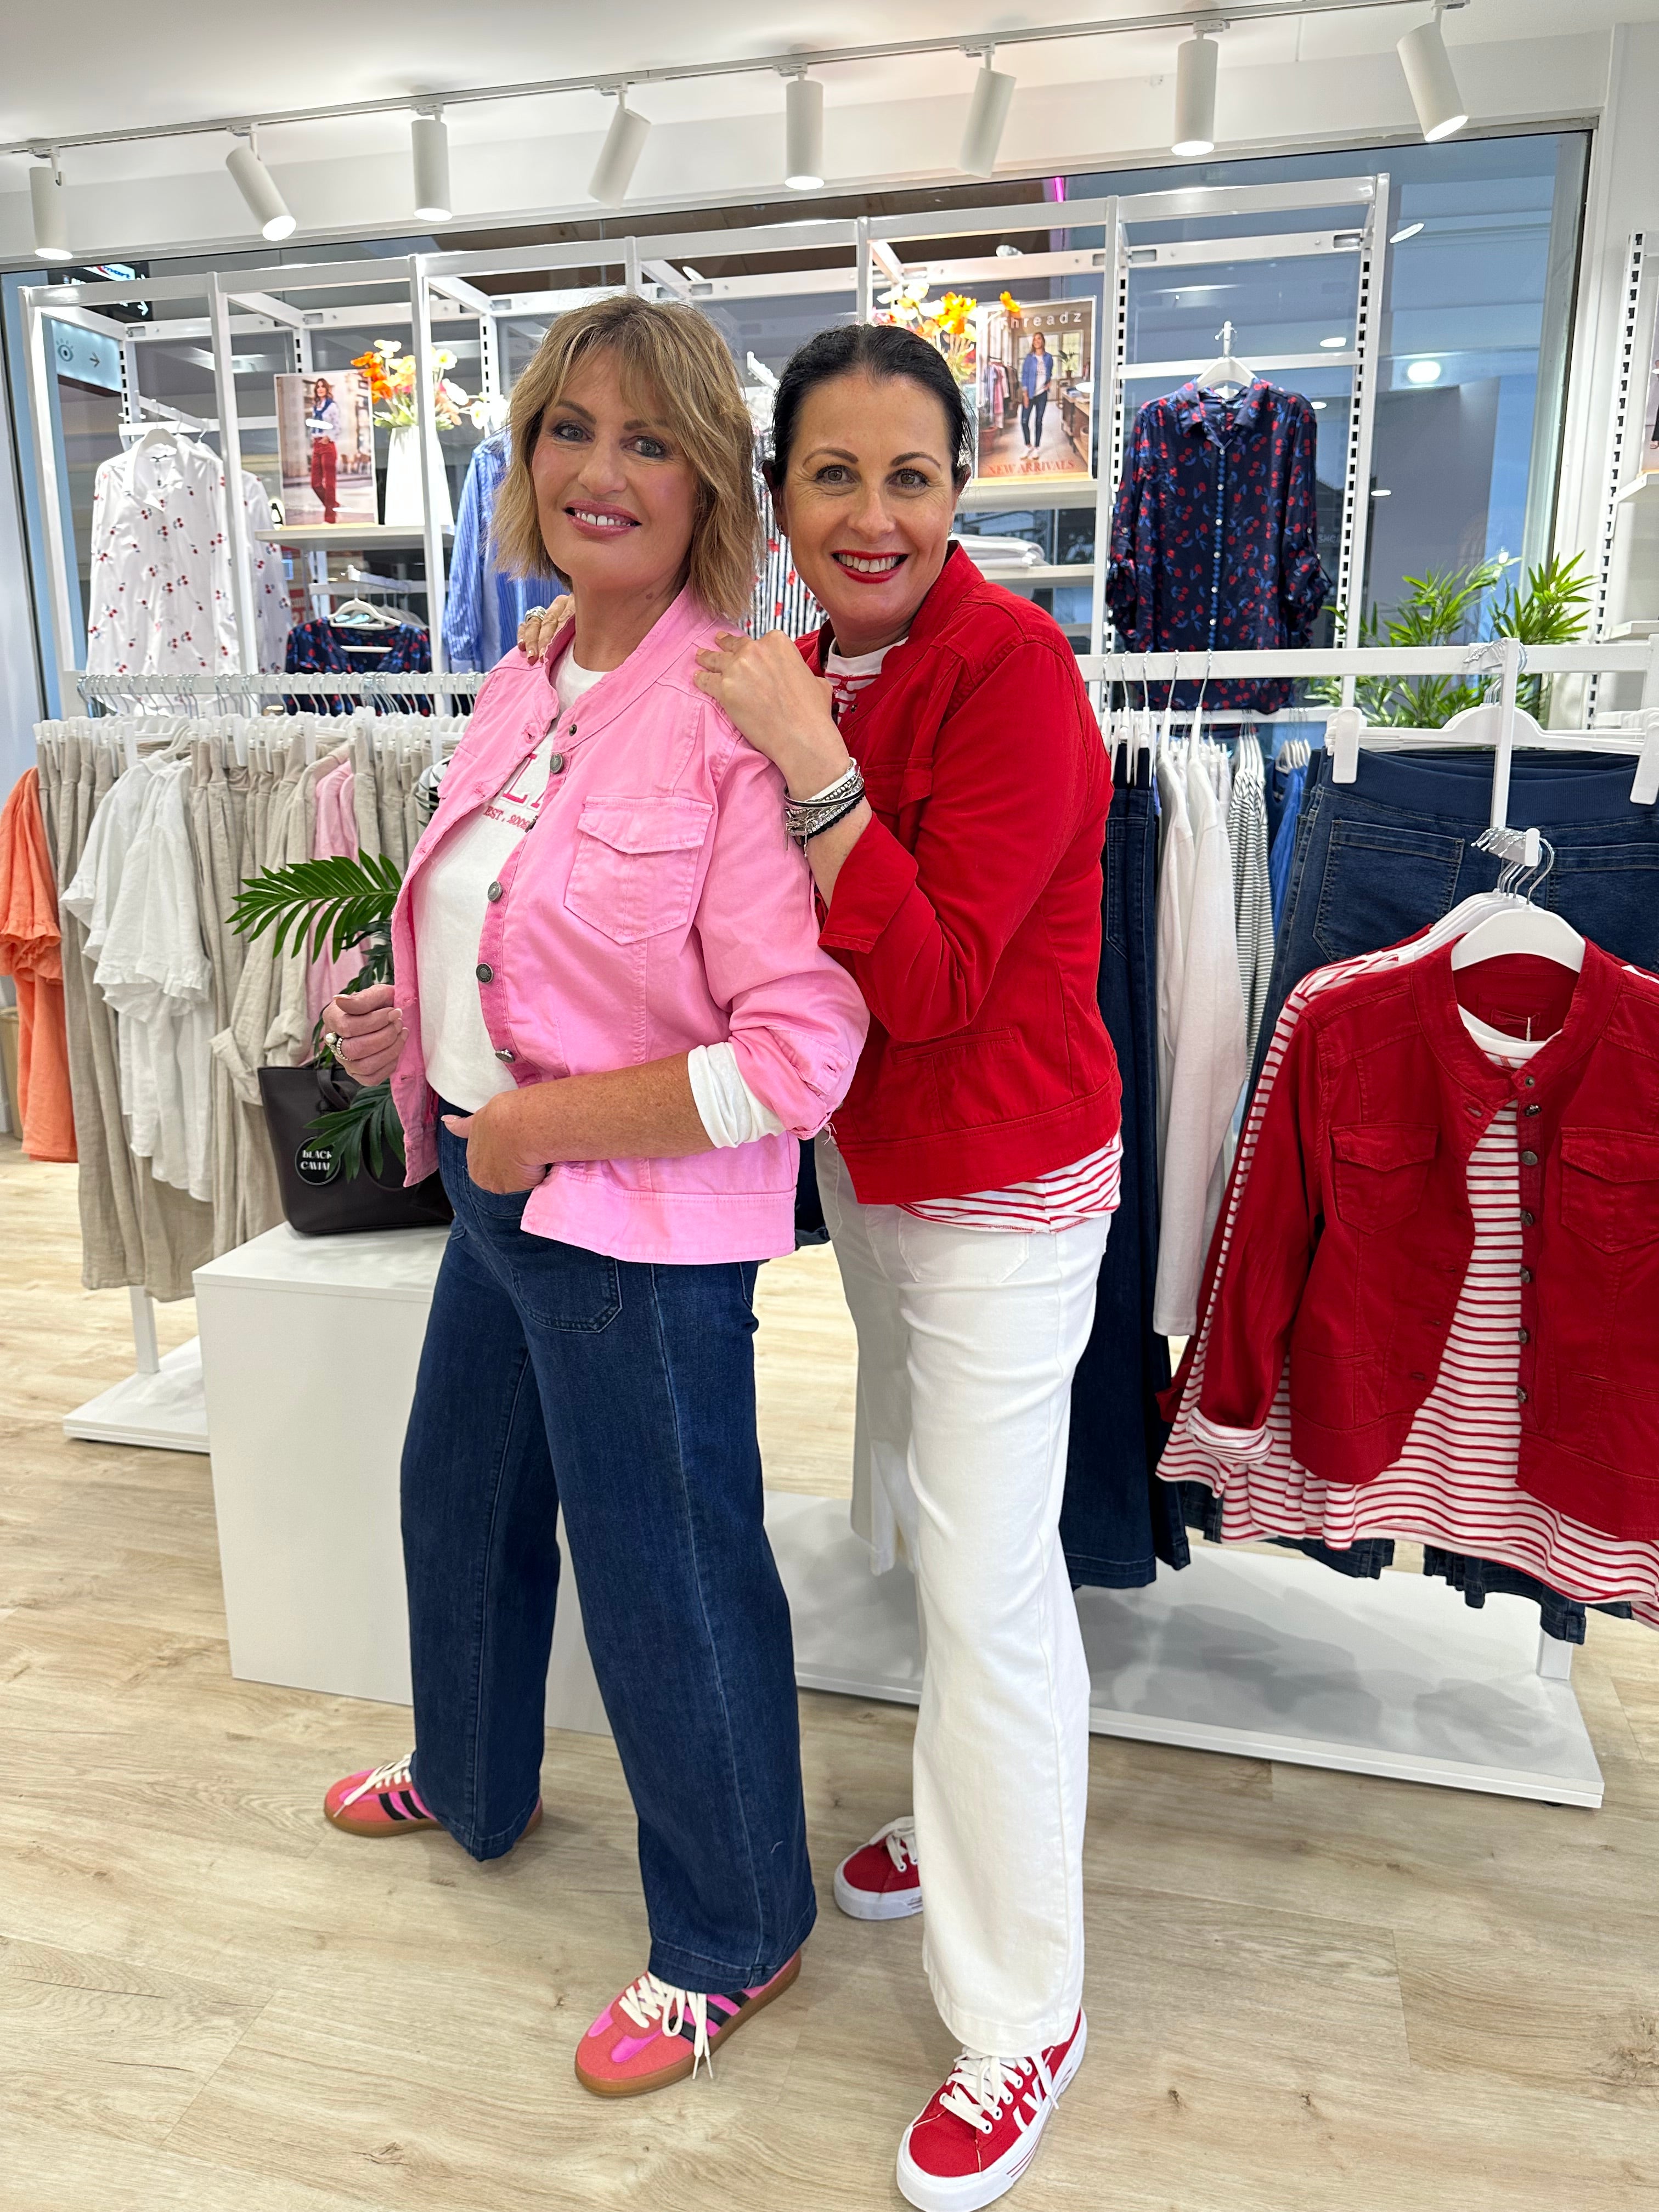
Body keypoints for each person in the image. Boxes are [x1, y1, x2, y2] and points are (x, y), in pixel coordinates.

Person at [525, 321, 1121, 2210]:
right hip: (880, 1181)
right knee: (935, 1536)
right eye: (836, 476)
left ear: (962, 492)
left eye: (913, 477)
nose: (876, 515)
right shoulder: (812, 659)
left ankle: (1024, 2012)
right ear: (776, 499)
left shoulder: (1008, 675)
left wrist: (806, 759)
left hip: (1006, 1189)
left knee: (988, 1579)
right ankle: (968, 1817)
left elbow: (930, 986)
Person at [319, 296, 868, 2102]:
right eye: (571, 429)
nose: (600, 470)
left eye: (648, 440)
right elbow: (519, 932)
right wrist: (409, 1020)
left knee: (668, 1579)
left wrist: (542, 1122)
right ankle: (470, 1777)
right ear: (526, 455)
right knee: (457, 1499)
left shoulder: (731, 717)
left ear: (709, 479)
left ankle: (736, 1927)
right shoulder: (527, 670)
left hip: (635, 1235)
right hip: (501, 1194)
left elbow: (801, 1056)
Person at [308, 376, 341, 522]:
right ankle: (333, 505)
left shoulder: (332, 406)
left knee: (330, 483)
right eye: (318, 387)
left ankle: (330, 518)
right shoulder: (315, 407)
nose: (320, 389)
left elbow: (338, 426)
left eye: (323, 386)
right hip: (317, 445)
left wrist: (329, 437)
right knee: (315, 483)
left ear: (327, 389)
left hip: (327, 445)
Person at [1019, 330, 1053, 455]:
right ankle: (1028, 446)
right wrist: (1025, 395)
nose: (1037, 341)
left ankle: (1037, 448)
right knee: (1024, 421)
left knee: (1039, 421)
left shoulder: (1049, 358)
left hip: (1042, 395)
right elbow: (1024, 376)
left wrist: (1049, 382)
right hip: (1030, 394)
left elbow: (1050, 372)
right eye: (1035, 339)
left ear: (1043, 341)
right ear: (1033, 343)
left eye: (1039, 339)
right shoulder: (1029, 358)